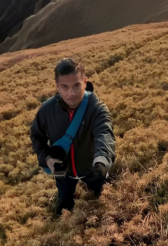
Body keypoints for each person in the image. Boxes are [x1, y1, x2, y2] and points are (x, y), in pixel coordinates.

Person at [30, 57, 116, 214]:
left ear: (85, 81)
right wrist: (47, 159)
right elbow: (37, 137)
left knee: (100, 204)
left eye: (77, 85)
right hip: (63, 173)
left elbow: (104, 135)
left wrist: (101, 163)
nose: (72, 93)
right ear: (57, 86)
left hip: (93, 169)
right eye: (65, 87)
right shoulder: (46, 111)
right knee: (64, 206)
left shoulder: (97, 109)